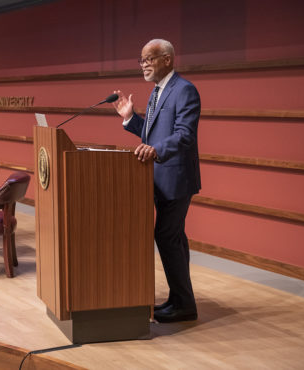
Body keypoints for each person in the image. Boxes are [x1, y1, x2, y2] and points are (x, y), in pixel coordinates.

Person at [113, 39, 201, 323]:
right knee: (173, 237)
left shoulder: (184, 90)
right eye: (141, 60)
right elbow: (151, 137)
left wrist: (156, 150)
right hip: (158, 178)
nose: (144, 65)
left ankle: (184, 304)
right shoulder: (156, 92)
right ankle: (179, 299)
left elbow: (184, 135)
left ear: (167, 59)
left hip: (176, 178)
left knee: (166, 236)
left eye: (149, 59)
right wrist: (130, 119)